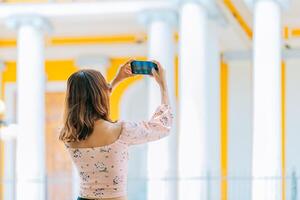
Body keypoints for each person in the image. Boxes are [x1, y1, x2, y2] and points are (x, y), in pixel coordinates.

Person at [59, 59, 174, 200]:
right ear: (101, 94)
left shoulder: (69, 135)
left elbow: (90, 102)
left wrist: (116, 80)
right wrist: (163, 86)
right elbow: (162, 126)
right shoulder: (121, 131)